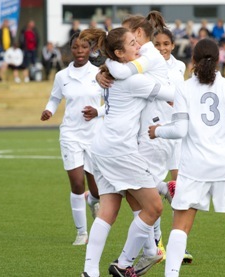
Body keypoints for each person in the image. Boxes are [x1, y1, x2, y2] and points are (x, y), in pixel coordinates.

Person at [148, 38, 225, 277]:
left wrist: (157, 131)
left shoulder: (184, 88)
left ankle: (172, 274)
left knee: (181, 227)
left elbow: (180, 131)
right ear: (219, 60)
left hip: (194, 167)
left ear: (193, 61)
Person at [78, 26, 174, 277]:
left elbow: (110, 68)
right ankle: (123, 264)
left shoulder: (112, 70)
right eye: (133, 43)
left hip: (102, 147)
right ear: (120, 53)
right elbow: (175, 95)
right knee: (154, 208)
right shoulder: (133, 80)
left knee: (109, 208)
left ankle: (89, 271)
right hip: (120, 150)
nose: (138, 46)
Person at [40, 32, 102, 247]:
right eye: (75, 47)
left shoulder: (99, 74)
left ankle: (92, 199)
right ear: (70, 50)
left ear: (91, 49)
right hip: (70, 134)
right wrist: (49, 110)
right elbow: (55, 97)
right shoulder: (62, 76)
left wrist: (98, 112)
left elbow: (112, 102)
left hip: (95, 135)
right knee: (77, 183)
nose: (79, 51)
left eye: (84, 47)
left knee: (96, 190)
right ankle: (81, 233)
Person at [153, 27, 194, 265]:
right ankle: (156, 244)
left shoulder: (179, 66)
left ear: (173, 44)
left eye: (166, 44)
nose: (162, 49)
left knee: (181, 192)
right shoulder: (146, 65)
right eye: (157, 44)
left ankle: (180, 246)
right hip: (156, 133)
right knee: (152, 193)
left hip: (177, 133)